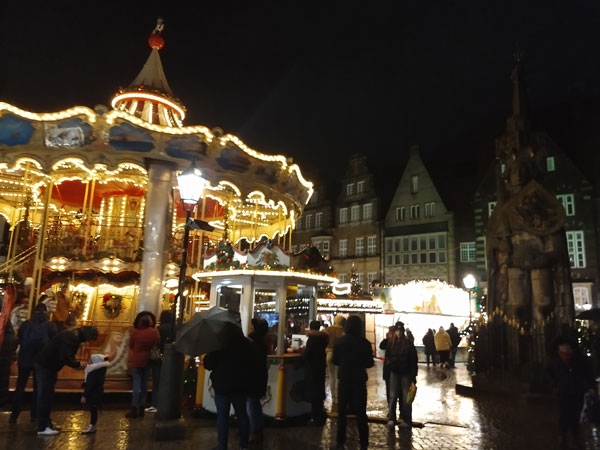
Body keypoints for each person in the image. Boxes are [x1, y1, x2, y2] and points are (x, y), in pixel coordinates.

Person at [35, 326, 99, 436]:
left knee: (48, 395)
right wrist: (78, 364)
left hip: (49, 367)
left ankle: (47, 423)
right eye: (90, 339)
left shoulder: (73, 335)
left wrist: (76, 363)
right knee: (45, 396)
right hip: (46, 367)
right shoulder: (71, 338)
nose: (88, 341)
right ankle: (42, 427)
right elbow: (66, 356)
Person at [204, 331, 252, 450]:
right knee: (242, 414)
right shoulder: (246, 343)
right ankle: (244, 444)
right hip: (240, 384)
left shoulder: (219, 343)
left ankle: (222, 445)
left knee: (222, 416)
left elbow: (209, 364)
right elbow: (251, 363)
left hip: (222, 385)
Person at [332, 315, 374, 450]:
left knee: (342, 412)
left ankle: (340, 442)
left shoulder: (340, 342)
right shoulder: (365, 343)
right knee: (361, 413)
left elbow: (335, 360)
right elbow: (369, 363)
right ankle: (363, 443)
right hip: (359, 380)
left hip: (344, 379)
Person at [10, 303, 57, 423]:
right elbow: (54, 341)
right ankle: (34, 414)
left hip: (25, 358)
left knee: (20, 386)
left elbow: (19, 338)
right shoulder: (49, 325)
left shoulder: (26, 324)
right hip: (40, 360)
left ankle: (14, 414)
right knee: (38, 387)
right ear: (46, 312)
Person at [547, 336, 595, 449]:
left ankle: (576, 436)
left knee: (576, 415)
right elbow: (549, 374)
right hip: (563, 391)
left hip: (578, 391)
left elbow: (588, 373)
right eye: (563, 346)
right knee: (564, 415)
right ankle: (562, 437)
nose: (565, 348)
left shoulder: (580, 358)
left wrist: (590, 386)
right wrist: (554, 384)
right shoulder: (553, 360)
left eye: (567, 346)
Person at [385, 321, 418, 428]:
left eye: (400, 330)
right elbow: (387, 358)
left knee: (405, 398)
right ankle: (392, 418)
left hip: (406, 373)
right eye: (397, 330)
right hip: (395, 372)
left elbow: (413, 361)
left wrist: (413, 376)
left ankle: (406, 419)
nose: (398, 333)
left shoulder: (408, 344)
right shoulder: (391, 343)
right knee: (393, 396)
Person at [127, 312, 157, 418]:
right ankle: (142, 407)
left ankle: (134, 407)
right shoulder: (154, 332)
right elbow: (157, 342)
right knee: (144, 385)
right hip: (148, 360)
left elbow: (131, 345)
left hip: (136, 360)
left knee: (136, 385)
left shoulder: (135, 332)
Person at [247, 318, 269, 443]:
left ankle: (255, 430)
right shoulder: (261, 342)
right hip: (259, 377)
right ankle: (257, 429)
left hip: (253, 377)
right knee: (254, 404)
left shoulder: (253, 343)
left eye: (251, 327)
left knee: (252, 404)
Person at [146, 309, 172, 414]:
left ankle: (156, 404)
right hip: (170, 358)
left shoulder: (158, 329)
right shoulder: (174, 328)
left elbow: (155, 342)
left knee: (157, 382)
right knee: (168, 381)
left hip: (158, 357)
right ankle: (167, 403)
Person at [303, 320, 329, 426]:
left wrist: (304, 352)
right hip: (321, 367)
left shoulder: (312, 339)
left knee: (313, 391)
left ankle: (315, 416)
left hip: (312, 368)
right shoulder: (323, 339)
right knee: (319, 389)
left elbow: (308, 354)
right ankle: (320, 413)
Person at [80, 354, 110, 434]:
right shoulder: (100, 370)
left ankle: (92, 426)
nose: (89, 360)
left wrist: (85, 396)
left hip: (93, 394)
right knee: (94, 410)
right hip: (97, 392)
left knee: (93, 410)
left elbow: (90, 384)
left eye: (91, 359)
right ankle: (92, 426)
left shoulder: (93, 371)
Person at [325, 314, 345, 405]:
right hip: (339, 355)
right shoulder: (343, 330)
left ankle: (333, 397)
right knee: (338, 377)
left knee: (331, 376)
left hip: (329, 353)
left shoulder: (328, 329)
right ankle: (338, 396)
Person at [379, 325, 396, 403]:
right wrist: (386, 339)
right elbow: (381, 346)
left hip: (396, 370)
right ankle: (391, 408)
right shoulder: (387, 342)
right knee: (389, 390)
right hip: (388, 370)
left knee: (395, 391)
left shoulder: (399, 342)